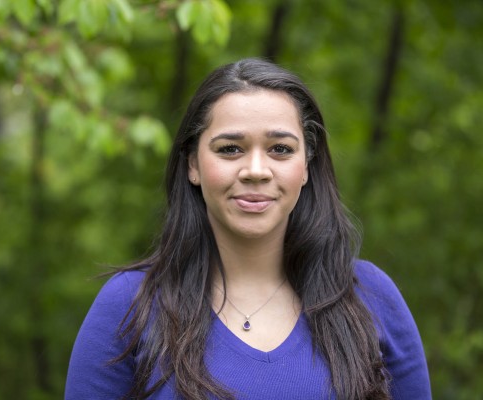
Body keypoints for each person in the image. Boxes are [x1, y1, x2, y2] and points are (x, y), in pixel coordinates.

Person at [65, 58, 431, 399]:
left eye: (281, 149)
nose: (256, 170)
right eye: (230, 149)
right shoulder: (130, 305)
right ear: (193, 163)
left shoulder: (370, 298)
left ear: (306, 165)